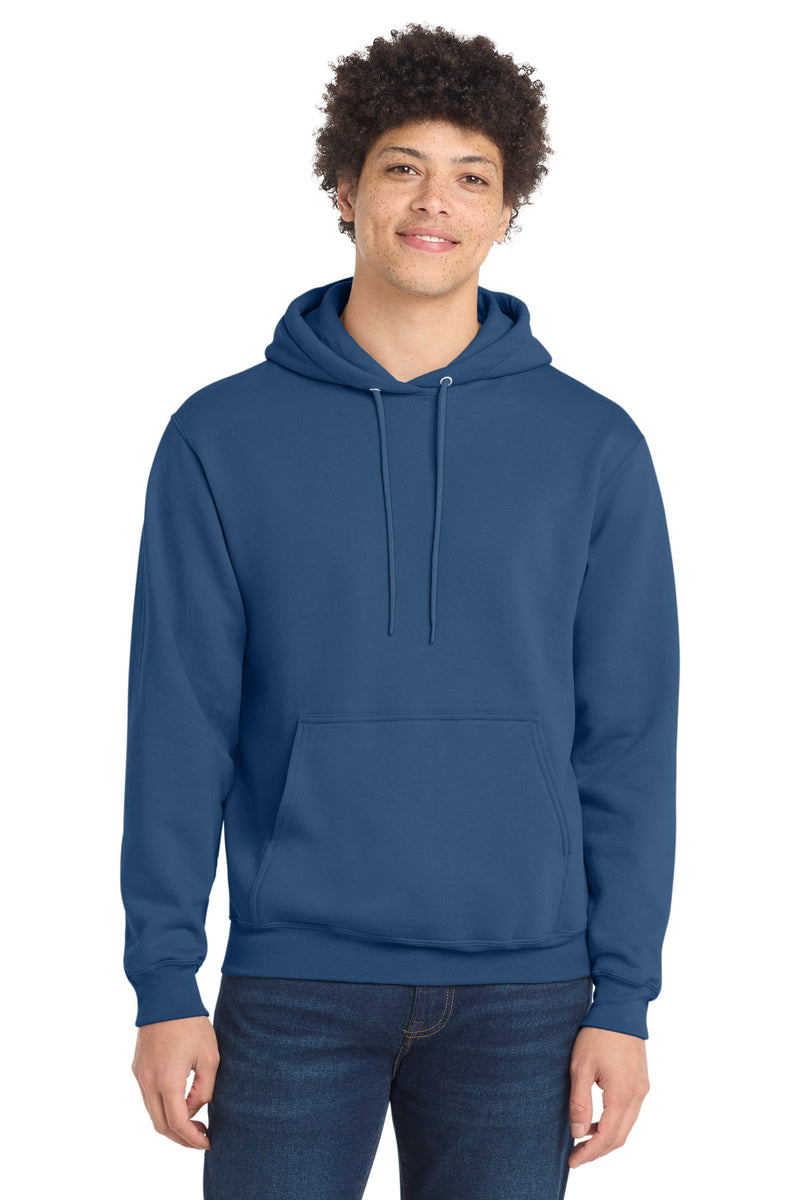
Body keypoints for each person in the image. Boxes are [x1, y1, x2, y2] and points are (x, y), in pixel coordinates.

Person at [121, 23, 680, 1200]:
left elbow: (626, 739)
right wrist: (163, 983)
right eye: (402, 167)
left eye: (471, 176)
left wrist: (623, 997)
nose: (435, 201)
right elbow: (178, 724)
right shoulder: (218, 438)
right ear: (344, 188)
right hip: (292, 985)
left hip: (528, 996)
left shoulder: (592, 446)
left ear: (505, 210)